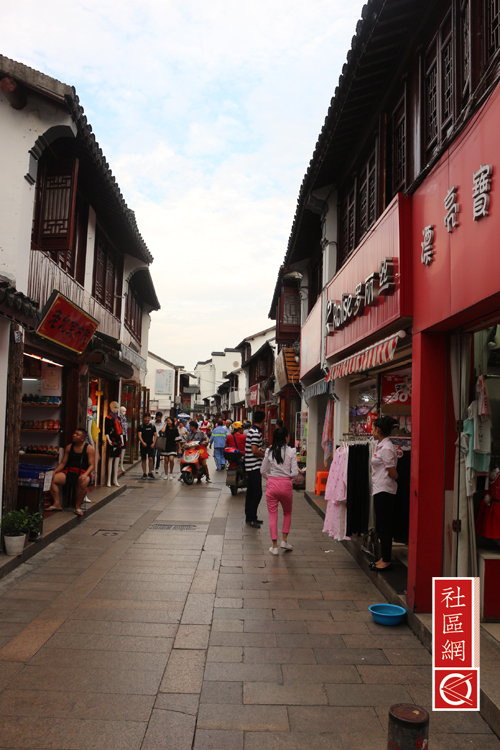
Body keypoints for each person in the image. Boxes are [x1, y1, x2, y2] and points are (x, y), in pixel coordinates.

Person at [261, 427, 298, 555]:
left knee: (272, 515)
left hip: (272, 485)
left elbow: (262, 471)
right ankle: (284, 540)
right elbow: (295, 473)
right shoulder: (291, 451)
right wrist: (287, 478)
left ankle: (274, 546)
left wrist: (271, 478)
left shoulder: (269, 451)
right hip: (286, 485)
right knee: (287, 512)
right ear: (286, 438)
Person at [369, 416, 399, 571]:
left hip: (385, 490)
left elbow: (393, 472)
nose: (372, 431)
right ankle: (383, 557)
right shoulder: (380, 446)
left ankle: (386, 560)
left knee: (385, 526)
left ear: (378, 430)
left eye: (373, 428)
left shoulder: (386, 448)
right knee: (382, 525)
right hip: (379, 489)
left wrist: (395, 477)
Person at [49, 428, 95, 516]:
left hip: (82, 472)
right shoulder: (69, 447)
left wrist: (85, 475)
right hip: (69, 471)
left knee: (84, 482)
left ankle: (77, 506)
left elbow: (91, 465)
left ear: (82, 438)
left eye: (77, 434)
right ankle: (57, 503)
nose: (74, 435)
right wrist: (55, 471)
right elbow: (63, 463)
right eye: (74, 433)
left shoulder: (89, 449)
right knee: (51, 478)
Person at [244, 410, 266, 528]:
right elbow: (254, 450)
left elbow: (254, 448)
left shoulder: (251, 431)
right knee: (257, 493)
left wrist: (261, 451)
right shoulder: (256, 432)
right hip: (254, 466)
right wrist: (264, 455)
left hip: (249, 465)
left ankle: (250, 517)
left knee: (251, 492)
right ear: (263, 420)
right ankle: (252, 517)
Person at [160, 416, 180, 480]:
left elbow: (178, 439)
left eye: (169, 421)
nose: (168, 422)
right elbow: (162, 431)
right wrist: (165, 424)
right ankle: (166, 474)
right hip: (166, 446)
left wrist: (179, 448)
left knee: (171, 459)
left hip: (172, 445)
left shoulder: (175, 429)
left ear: (172, 421)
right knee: (166, 460)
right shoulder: (165, 428)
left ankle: (171, 473)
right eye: (167, 421)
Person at [139, 413, 157, 479]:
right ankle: (144, 473)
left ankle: (150, 472)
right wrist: (142, 442)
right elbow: (139, 435)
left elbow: (155, 435)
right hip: (143, 444)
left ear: (150, 418)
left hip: (150, 444)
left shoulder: (152, 426)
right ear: (143, 418)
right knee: (143, 459)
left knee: (151, 458)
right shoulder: (141, 426)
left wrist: (153, 443)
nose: (147, 419)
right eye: (146, 418)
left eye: (148, 418)